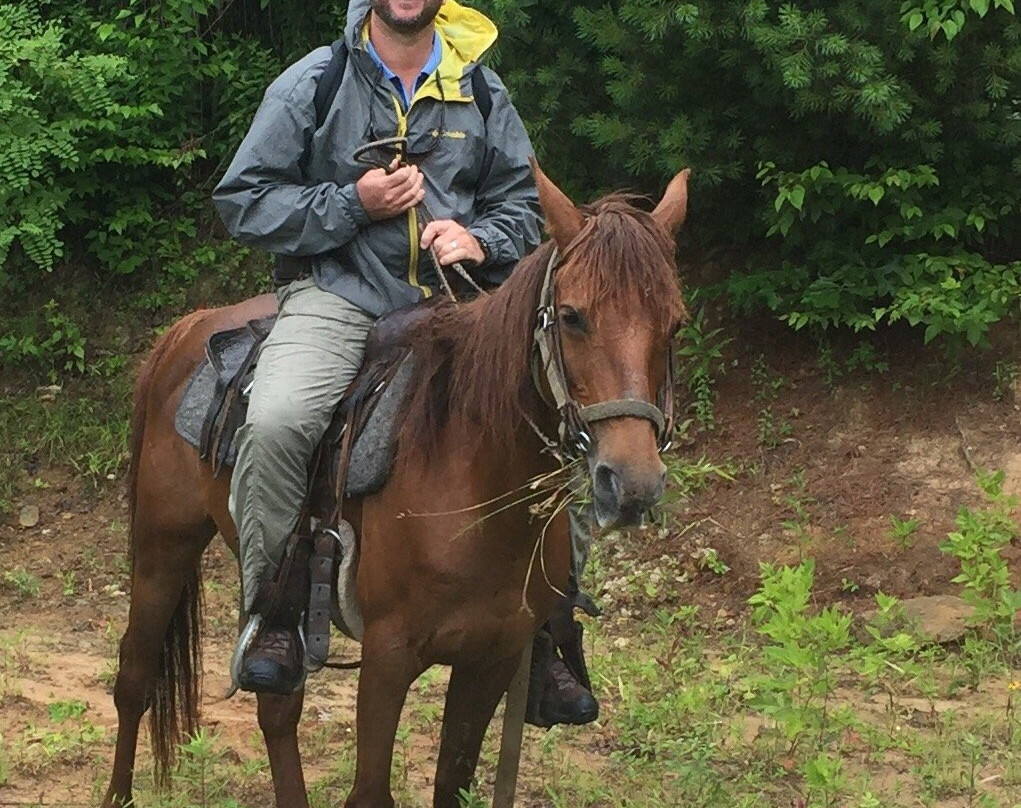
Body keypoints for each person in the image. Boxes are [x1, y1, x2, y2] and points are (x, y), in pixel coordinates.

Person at [213, 0, 596, 726]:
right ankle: (275, 614)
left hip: (463, 305)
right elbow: (245, 202)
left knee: (560, 433)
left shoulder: (481, 89)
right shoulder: (314, 83)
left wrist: (480, 239)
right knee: (276, 419)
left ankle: (549, 631)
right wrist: (352, 203)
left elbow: (523, 205)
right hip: (339, 295)